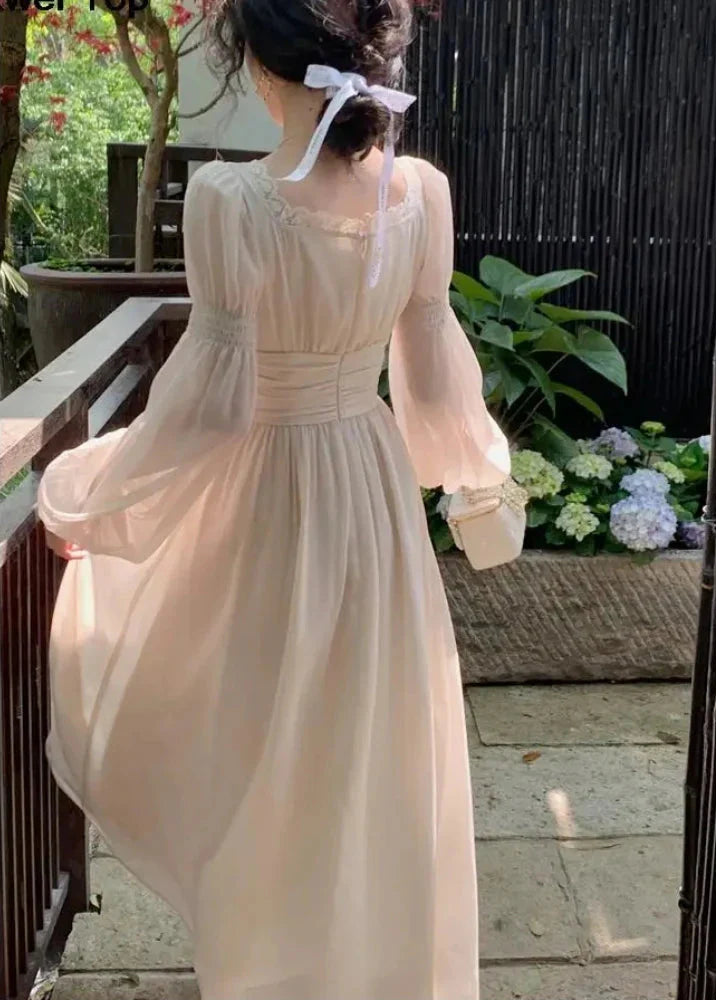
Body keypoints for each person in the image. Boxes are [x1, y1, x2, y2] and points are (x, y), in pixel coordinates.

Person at [38, 1, 511, 997]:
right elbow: (432, 381)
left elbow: (210, 407)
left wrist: (95, 496)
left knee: (264, 737)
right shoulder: (419, 192)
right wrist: (475, 480)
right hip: (369, 489)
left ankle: (274, 966)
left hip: (270, 496)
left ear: (257, 66)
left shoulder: (232, 199)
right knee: (370, 734)